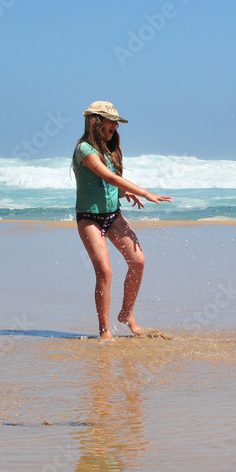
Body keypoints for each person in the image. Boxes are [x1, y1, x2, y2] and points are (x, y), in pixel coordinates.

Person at [73, 101, 171, 341]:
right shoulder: (85, 149)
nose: (115, 126)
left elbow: (107, 185)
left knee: (138, 261)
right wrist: (145, 192)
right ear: (96, 121)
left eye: (116, 123)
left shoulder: (109, 149)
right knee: (105, 272)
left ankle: (126, 314)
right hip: (89, 218)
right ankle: (104, 331)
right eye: (110, 121)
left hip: (112, 215)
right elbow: (108, 176)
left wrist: (125, 193)